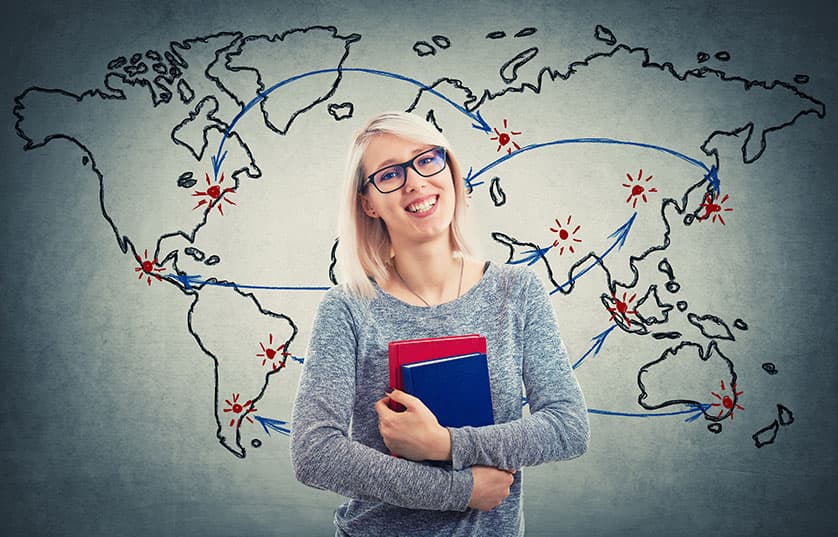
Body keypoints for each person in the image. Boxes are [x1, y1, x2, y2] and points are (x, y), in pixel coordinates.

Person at [290, 111, 589, 536]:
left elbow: (567, 425)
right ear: (368, 202)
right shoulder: (348, 308)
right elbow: (315, 453)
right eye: (390, 174)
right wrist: (460, 489)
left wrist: (446, 445)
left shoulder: (516, 290)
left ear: (449, 170)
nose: (415, 182)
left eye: (426, 160)